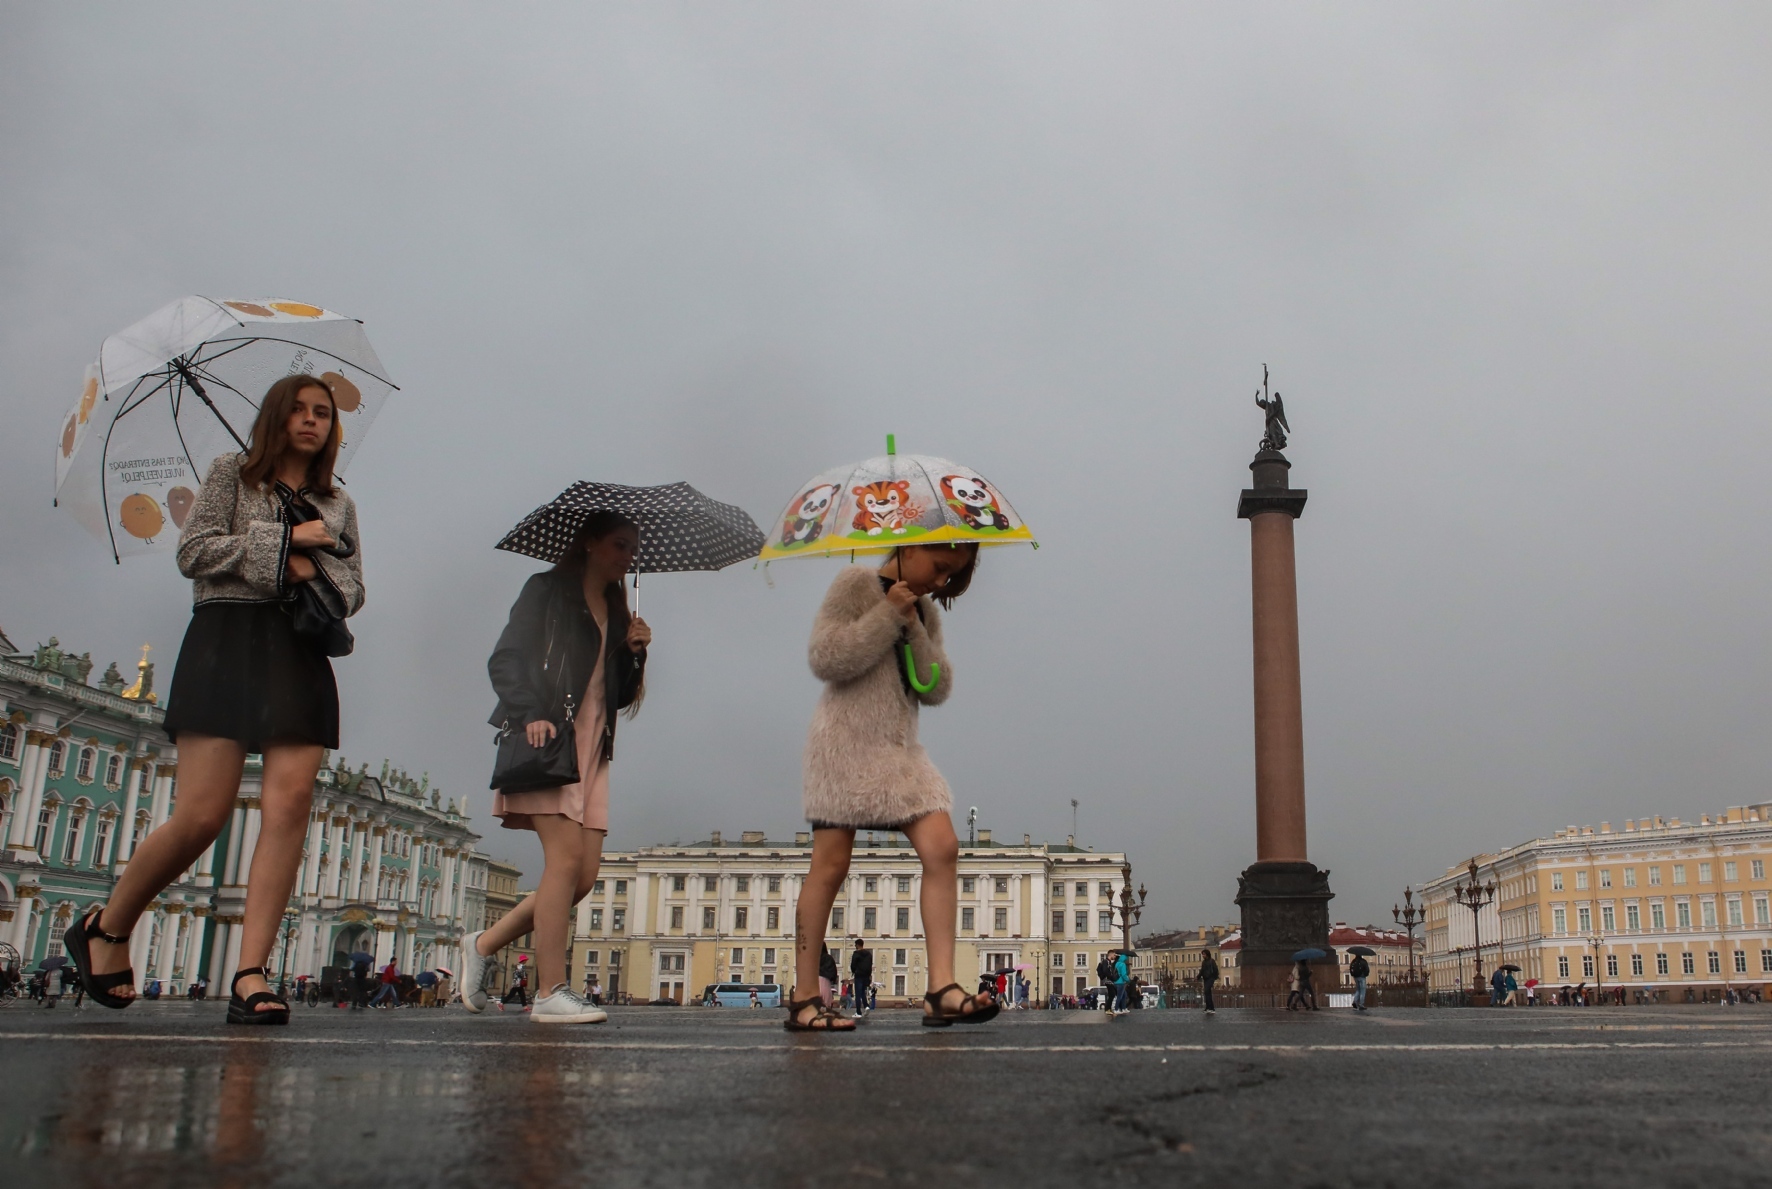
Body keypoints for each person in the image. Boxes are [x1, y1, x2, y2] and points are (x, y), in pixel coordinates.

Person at [64, 375, 364, 1026]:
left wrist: (314, 559)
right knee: (203, 814)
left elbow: (352, 587)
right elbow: (193, 552)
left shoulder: (335, 501)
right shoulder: (230, 472)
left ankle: (251, 972)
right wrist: (285, 545)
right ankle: (106, 926)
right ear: (277, 418)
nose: (312, 421)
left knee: (288, 805)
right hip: (225, 636)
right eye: (300, 411)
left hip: (298, 648)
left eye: (323, 413)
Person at [788, 543, 997, 1032]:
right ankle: (803, 999)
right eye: (941, 568)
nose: (940, 583)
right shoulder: (853, 585)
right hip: (842, 745)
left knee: (943, 846)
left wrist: (914, 627)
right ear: (911, 544)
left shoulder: (924, 609)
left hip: (900, 752)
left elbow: (936, 685)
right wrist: (886, 615)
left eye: (952, 577)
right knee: (831, 863)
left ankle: (941, 989)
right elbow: (826, 658)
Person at [462, 512, 650, 1026]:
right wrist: (532, 713)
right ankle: (549, 992)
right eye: (619, 544)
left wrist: (635, 654)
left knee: (583, 878)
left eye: (632, 548)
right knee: (563, 863)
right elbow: (506, 658)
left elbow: (621, 696)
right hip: (550, 740)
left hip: (594, 751)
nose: (626, 556)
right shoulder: (547, 589)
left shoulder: (617, 608)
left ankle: (482, 944)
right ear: (589, 543)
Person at [850, 939, 874, 1018]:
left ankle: (858, 1012)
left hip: (859, 975)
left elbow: (853, 965)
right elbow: (870, 965)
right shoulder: (868, 954)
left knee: (858, 993)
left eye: (855, 945)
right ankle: (866, 1006)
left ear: (857, 945)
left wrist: (853, 971)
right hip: (866, 975)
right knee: (862, 992)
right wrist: (869, 975)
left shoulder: (856, 953)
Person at [1199, 950, 1220, 1015]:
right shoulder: (1204, 962)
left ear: (1207, 954)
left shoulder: (1212, 961)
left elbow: (1216, 969)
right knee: (1207, 993)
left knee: (1207, 991)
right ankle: (1209, 1008)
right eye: (1202, 954)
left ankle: (1211, 1008)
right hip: (1205, 979)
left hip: (1210, 978)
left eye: (1204, 954)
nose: (1203, 956)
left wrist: (1214, 977)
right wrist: (1198, 977)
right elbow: (1202, 971)